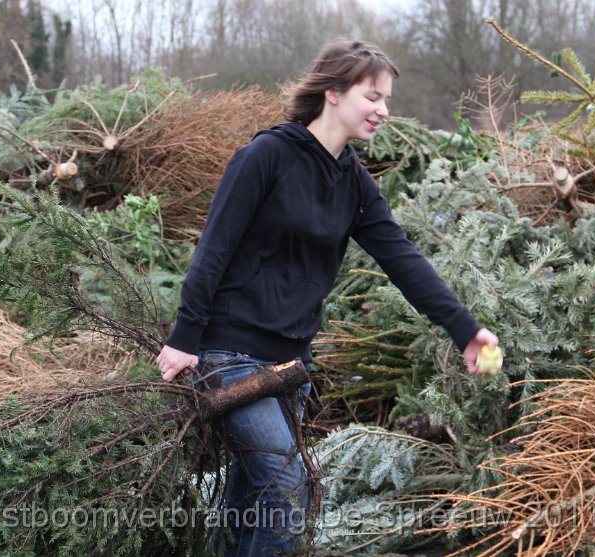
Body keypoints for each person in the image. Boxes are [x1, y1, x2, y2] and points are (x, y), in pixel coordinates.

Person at [156, 40, 498, 556]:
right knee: (288, 492)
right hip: (229, 354)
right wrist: (185, 338)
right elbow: (214, 248)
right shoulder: (266, 156)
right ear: (333, 92)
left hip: (290, 367)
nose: (384, 110)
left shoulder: (353, 182)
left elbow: (402, 259)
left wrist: (465, 330)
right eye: (372, 96)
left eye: (387, 99)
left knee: (250, 505)